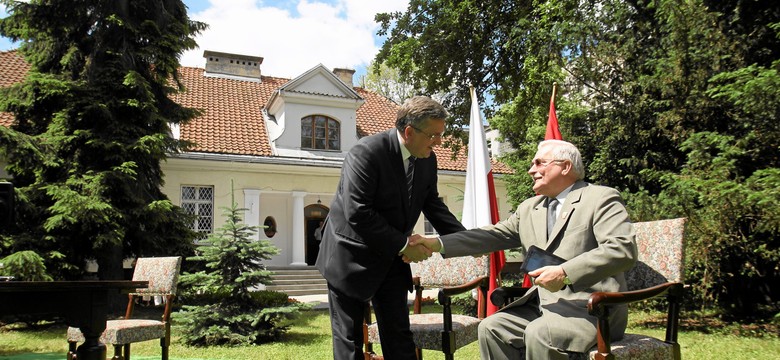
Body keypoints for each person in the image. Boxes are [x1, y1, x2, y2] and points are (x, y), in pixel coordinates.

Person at [410, 139, 637, 360]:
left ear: (566, 166)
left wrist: (565, 272)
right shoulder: (530, 208)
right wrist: (438, 243)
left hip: (591, 310)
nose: (531, 170)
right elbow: (492, 235)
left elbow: (621, 249)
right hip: (543, 306)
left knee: (540, 334)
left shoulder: (600, 198)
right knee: (492, 327)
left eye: (539, 163)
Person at [316, 96, 466, 359]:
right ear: (409, 132)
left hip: (392, 259)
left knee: (398, 334)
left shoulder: (427, 159)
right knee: (349, 340)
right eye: (433, 135)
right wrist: (405, 245)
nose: (439, 142)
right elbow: (358, 213)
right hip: (350, 257)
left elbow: (432, 205)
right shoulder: (367, 152)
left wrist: (466, 239)